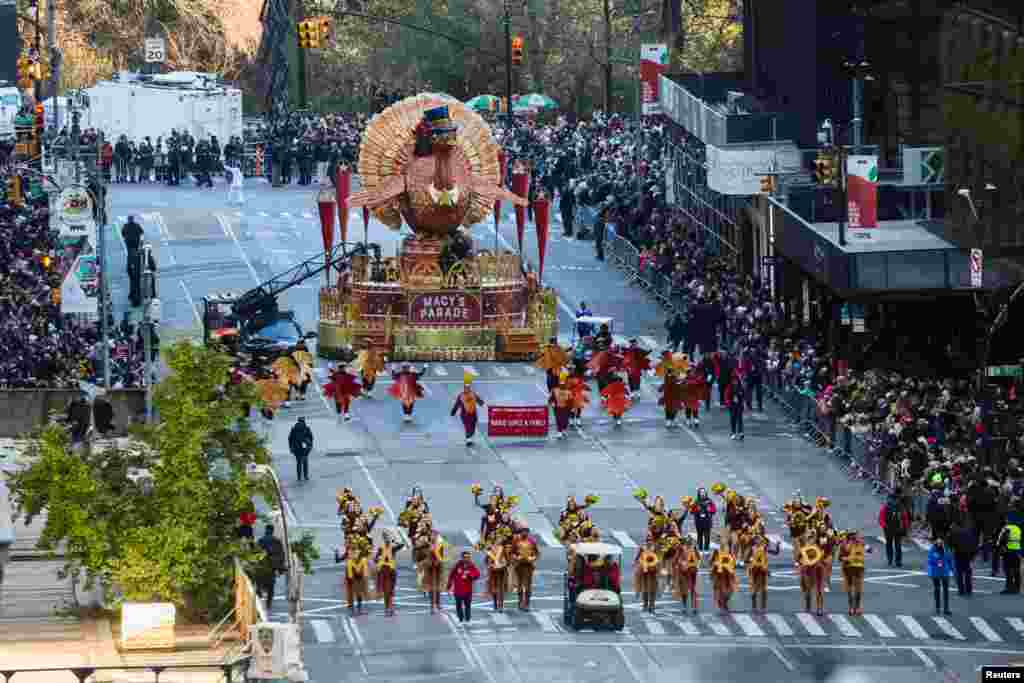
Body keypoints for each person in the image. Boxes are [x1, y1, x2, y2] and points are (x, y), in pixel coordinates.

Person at [374, 530, 405, 616]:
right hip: (383, 571)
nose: (387, 539)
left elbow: (402, 544)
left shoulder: (393, 547)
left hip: (392, 571)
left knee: (391, 591)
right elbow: (375, 559)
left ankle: (390, 608)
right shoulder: (381, 548)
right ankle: (387, 608)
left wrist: (394, 541)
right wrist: (378, 559)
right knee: (386, 590)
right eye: (386, 537)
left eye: (388, 537)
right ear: (384, 539)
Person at [256, 524, 286, 610]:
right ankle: (268, 603)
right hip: (272, 567)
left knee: (259, 584)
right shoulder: (277, 541)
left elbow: (256, 553)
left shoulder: (261, 540)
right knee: (271, 587)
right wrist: (281, 568)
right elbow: (281, 555)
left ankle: (259, 600)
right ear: (272, 531)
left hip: (261, 566)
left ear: (266, 530)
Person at [839, 530, 869, 615]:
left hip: (859, 569)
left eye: (858, 536)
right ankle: (851, 607)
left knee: (858, 589)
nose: (857, 538)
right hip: (848, 569)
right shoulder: (844, 545)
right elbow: (840, 558)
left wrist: (863, 544)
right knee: (849, 591)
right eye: (855, 536)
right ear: (850, 537)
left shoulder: (861, 544)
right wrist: (847, 559)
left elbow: (870, 550)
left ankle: (858, 607)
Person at [747, 534, 780, 613]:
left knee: (764, 590)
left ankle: (763, 607)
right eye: (757, 539)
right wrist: (750, 560)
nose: (759, 541)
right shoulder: (752, 549)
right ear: (754, 541)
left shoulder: (765, 548)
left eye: (760, 540)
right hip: (754, 570)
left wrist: (777, 545)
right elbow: (746, 559)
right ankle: (754, 607)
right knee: (754, 590)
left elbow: (775, 553)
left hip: (763, 570)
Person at [451, 373, 485, 445]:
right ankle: (468, 440)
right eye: (466, 387)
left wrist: (483, 404)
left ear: (469, 387)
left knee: (473, 427)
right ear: (464, 388)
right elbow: (457, 404)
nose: (467, 388)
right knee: (468, 427)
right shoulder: (461, 395)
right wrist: (453, 412)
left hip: (473, 414)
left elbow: (480, 401)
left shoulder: (473, 394)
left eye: (468, 387)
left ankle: (470, 439)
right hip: (465, 415)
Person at [447, 550, 481, 623]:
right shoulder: (457, 565)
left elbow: (477, 575)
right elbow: (451, 575)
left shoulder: (471, 565)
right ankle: (461, 619)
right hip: (458, 590)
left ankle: (468, 619)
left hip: (468, 590)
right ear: (462, 558)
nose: (467, 559)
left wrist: (470, 574)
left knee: (467, 606)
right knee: (458, 605)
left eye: (468, 557)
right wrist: (449, 586)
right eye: (465, 557)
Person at [879, 494, 910, 568]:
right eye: (891, 499)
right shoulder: (885, 508)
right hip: (888, 529)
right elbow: (881, 518)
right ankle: (890, 559)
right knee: (889, 544)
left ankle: (898, 561)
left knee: (898, 546)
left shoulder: (901, 508)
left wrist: (905, 528)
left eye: (895, 500)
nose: (893, 501)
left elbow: (905, 518)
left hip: (898, 529)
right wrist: (884, 525)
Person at [512, 528, 539, 610]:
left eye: (526, 532)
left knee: (528, 586)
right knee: (519, 585)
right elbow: (512, 553)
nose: (524, 533)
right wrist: (516, 557)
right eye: (523, 532)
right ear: (520, 533)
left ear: (528, 533)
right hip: (519, 565)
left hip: (529, 566)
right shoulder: (516, 542)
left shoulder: (532, 542)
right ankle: (520, 602)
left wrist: (532, 558)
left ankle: (527, 604)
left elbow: (537, 553)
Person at [672, 535, 701, 613]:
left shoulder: (694, 549)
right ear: (685, 542)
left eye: (690, 541)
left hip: (692, 571)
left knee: (693, 589)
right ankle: (684, 606)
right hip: (683, 572)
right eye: (688, 541)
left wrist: (696, 565)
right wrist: (681, 563)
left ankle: (694, 607)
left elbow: (698, 558)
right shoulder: (681, 549)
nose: (689, 543)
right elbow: (675, 560)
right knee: (684, 590)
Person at [950, 520, 979, 596]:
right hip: (968, 553)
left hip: (959, 553)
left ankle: (961, 590)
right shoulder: (969, 532)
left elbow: (950, 543)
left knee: (959, 572)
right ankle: (969, 589)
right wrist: (973, 555)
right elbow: (974, 543)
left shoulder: (954, 532)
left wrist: (952, 549)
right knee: (967, 571)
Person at [928, 536, 955, 615]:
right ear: (936, 541)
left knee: (946, 590)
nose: (939, 542)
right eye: (938, 541)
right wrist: (930, 573)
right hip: (936, 573)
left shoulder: (946, 549)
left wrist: (952, 571)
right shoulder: (932, 550)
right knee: (937, 590)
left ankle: (946, 608)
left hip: (945, 572)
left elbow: (950, 560)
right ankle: (938, 608)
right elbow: (930, 562)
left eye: (941, 541)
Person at [635, 537, 661, 613]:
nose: (649, 542)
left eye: (650, 540)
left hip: (653, 570)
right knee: (645, 589)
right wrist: (639, 562)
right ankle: (645, 605)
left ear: (652, 541)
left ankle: (652, 605)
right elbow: (638, 558)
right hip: (645, 570)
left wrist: (658, 566)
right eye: (648, 541)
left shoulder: (655, 548)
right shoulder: (642, 548)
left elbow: (659, 558)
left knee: (653, 589)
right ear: (646, 541)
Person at [997, 519, 1021, 594]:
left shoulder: (1006, 528)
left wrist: (999, 547)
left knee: (1008, 570)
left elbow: (1002, 539)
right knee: (1016, 570)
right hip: (1017, 550)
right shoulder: (1018, 528)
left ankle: (1009, 588)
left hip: (1008, 551)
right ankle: (1017, 588)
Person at [484, 540, 510, 612]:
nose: (497, 543)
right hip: (493, 572)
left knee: (501, 589)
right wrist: (490, 565)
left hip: (502, 572)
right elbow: (486, 561)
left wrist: (503, 565)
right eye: (495, 541)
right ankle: (495, 604)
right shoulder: (490, 551)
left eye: (498, 542)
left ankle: (500, 605)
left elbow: (508, 561)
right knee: (494, 589)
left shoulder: (503, 549)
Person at [288, 417, 314, 481]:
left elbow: (290, 439)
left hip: (296, 448)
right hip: (305, 448)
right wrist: (310, 446)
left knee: (299, 462)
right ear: (304, 421)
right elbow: (311, 437)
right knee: (305, 462)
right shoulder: (306, 428)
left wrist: (291, 447)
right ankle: (305, 476)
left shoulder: (294, 428)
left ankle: (299, 477)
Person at [690, 488, 716, 552]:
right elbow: (691, 511)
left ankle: (706, 549)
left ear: (706, 493)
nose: (702, 494)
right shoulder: (696, 502)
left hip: (707, 521)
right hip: (698, 521)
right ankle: (700, 549)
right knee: (699, 535)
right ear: (699, 493)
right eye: (701, 492)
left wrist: (710, 510)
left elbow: (714, 510)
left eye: (703, 492)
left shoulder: (710, 501)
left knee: (707, 535)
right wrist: (696, 510)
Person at [549, 371, 573, 438]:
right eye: (560, 384)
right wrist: (552, 403)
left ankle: (564, 430)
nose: (562, 385)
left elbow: (571, 400)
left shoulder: (568, 391)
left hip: (566, 408)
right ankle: (559, 432)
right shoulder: (555, 390)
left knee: (565, 420)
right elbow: (551, 398)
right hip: (557, 408)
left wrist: (571, 408)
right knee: (558, 419)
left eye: (563, 384)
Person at [725, 374, 745, 440]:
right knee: (733, 419)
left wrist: (743, 402)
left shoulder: (740, 387)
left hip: (739, 405)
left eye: (736, 381)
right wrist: (728, 404)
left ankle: (740, 432)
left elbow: (744, 396)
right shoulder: (729, 387)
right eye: (733, 381)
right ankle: (733, 432)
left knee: (740, 419)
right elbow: (727, 396)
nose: (735, 382)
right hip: (732, 405)